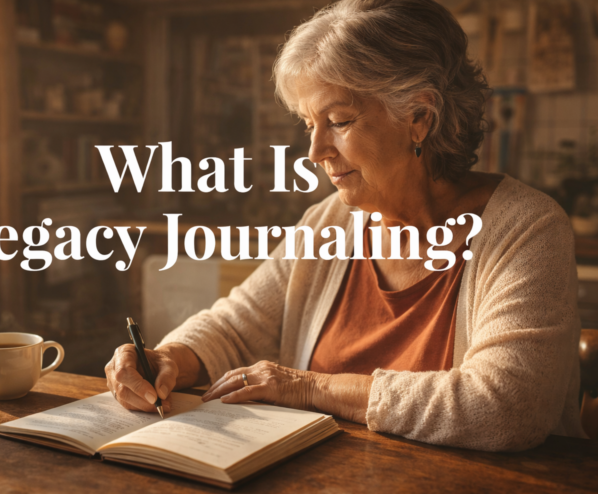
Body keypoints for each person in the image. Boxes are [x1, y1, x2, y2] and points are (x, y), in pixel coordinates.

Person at [105, 0, 586, 451]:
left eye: (338, 120)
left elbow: (507, 405)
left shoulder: (528, 228)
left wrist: (311, 387)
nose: (315, 152)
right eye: (309, 123)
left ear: (419, 117)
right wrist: (170, 357)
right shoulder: (330, 221)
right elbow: (236, 325)